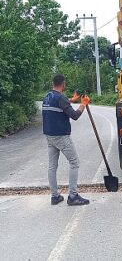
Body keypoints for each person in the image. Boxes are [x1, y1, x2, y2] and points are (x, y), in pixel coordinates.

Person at [42, 74, 90, 205]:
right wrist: (83, 104)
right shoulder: (61, 98)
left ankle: (54, 196)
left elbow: (61, 104)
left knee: (52, 166)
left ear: (53, 83)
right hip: (61, 136)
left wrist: (72, 100)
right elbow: (74, 115)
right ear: (63, 84)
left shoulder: (48, 96)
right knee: (74, 162)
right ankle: (73, 196)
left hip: (49, 136)